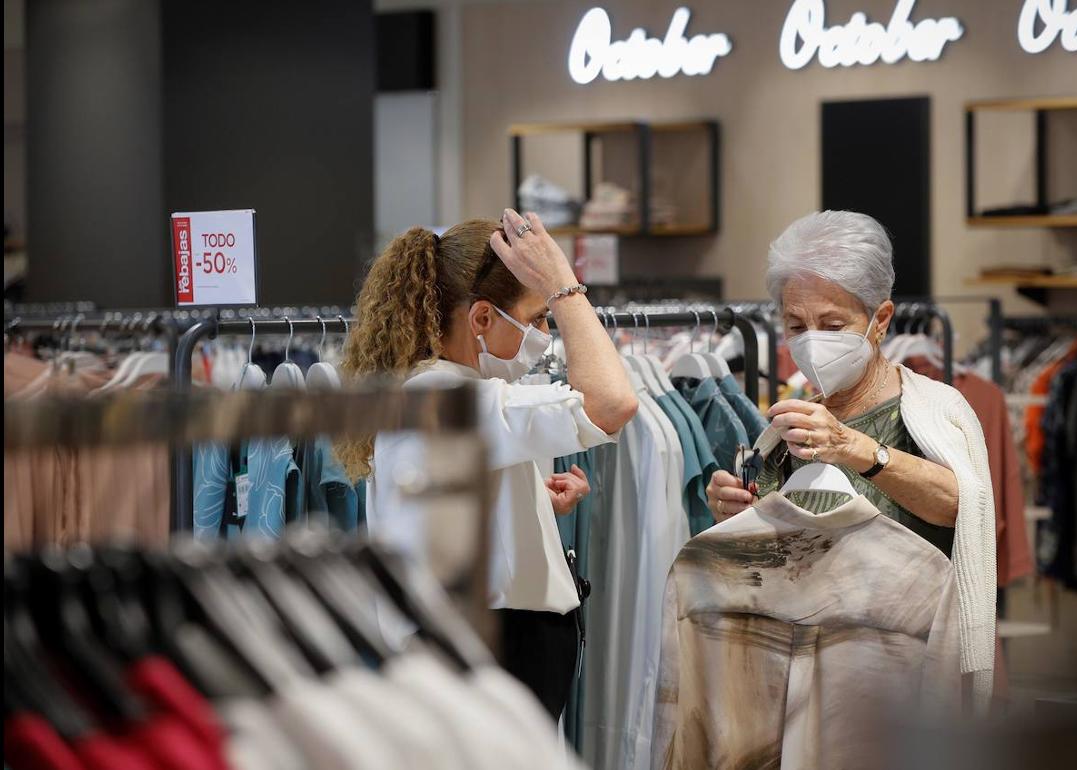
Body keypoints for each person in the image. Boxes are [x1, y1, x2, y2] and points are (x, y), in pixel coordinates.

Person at [336, 210, 638, 719]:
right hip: (490, 651)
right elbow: (612, 402)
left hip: (490, 647)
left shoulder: (447, 393)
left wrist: (528, 505)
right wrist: (564, 286)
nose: (544, 334)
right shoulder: (447, 399)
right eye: (537, 318)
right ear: (481, 319)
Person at [705, 210, 998, 706]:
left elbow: (961, 506)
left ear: (880, 320)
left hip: (904, 676)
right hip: (800, 674)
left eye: (833, 324)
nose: (812, 340)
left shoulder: (934, 409)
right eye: (795, 324)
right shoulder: (785, 430)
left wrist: (856, 448)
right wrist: (735, 514)